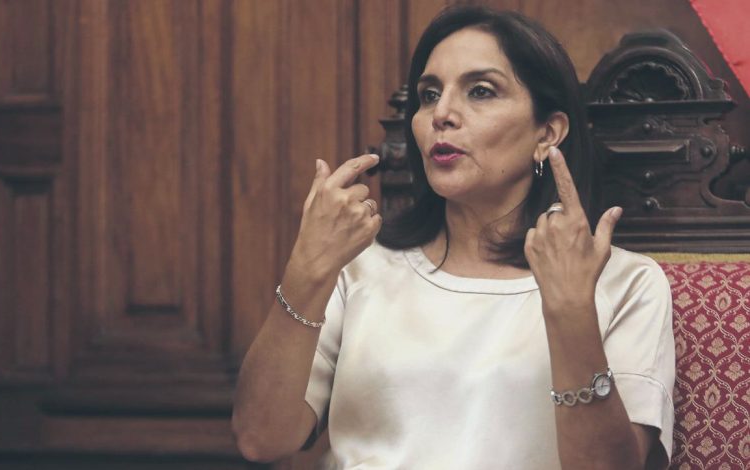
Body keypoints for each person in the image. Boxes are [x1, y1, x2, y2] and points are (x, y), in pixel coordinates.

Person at [232, 5, 674, 469]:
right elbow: (261, 439)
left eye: (481, 91)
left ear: (547, 133)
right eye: (429, 95)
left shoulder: (626, 282)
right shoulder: (362, 265)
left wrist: (570, 313)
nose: (441, 113)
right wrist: (307, 271)